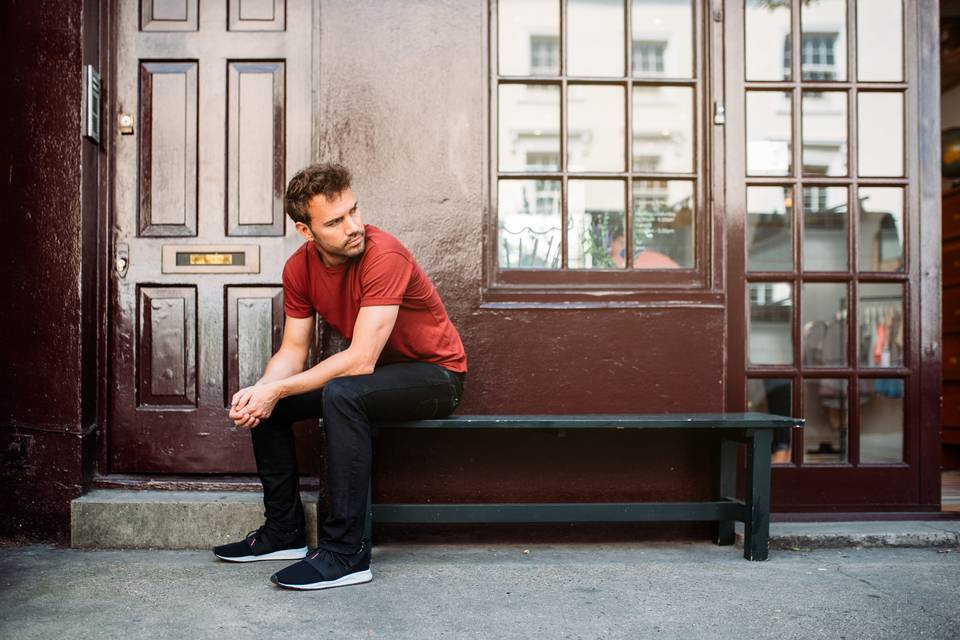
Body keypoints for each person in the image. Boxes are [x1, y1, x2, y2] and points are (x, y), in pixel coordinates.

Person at [212, 163, 467, 590]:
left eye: (353, 211)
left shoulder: (384, 254)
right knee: (274, 406)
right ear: (305, 231)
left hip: (436, 376)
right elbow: (293, 351)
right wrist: (262, 393)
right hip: (377, 378)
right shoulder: (299, 270)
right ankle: (283, 533)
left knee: (343, 393)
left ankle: (346, 554)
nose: (353, 227)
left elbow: (361, 360)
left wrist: (275, 388)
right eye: (335, 221)